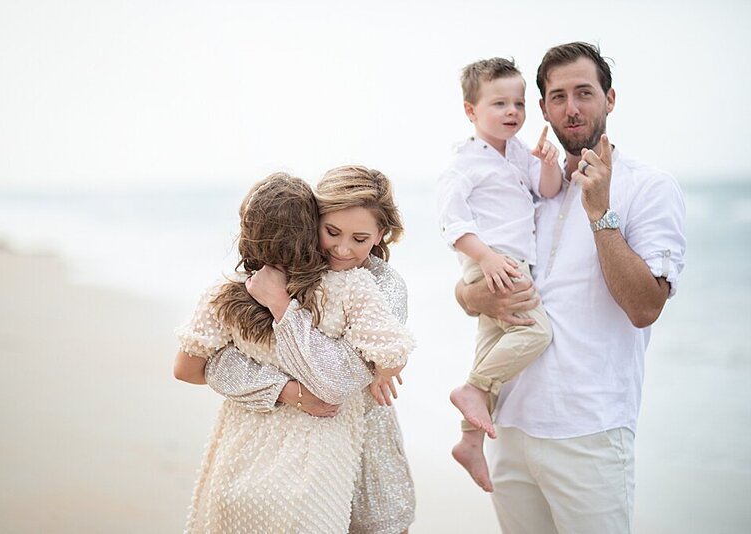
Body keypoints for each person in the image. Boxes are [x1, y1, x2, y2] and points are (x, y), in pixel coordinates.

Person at [456, 42, 686, 533]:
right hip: (509, 424)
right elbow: (471, 288)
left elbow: (645, 307)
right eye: (557, 96)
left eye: (584, 92)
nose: (572, 107)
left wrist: (601, 212)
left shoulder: (649, 187)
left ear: (610, 99)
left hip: (589, 430)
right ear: (542, 108)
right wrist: (474, 296)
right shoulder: (530, 185)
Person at [173, 172, 415, 533]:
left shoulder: (377, 286)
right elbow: (210, 363)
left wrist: (283, 307)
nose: (343, 249)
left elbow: (339, 379)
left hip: (364, 440)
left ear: (381, 235)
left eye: (360, 238)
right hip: (288, 453)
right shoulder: (283, 277)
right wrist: (285, 390)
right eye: (331, 232)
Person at [437, 57, 562, 491]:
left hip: (509, 260)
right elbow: (453, 225)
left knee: (493, 342)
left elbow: (548, 191)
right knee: (535, 333)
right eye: (499, 104)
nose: (512, 112)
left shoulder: (519, 154)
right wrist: (486, 258)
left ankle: (470, 441)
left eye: (519, 103)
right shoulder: (464, 163)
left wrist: (548, 162)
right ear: (471, 111)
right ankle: (474, 388)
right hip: (494, 261)